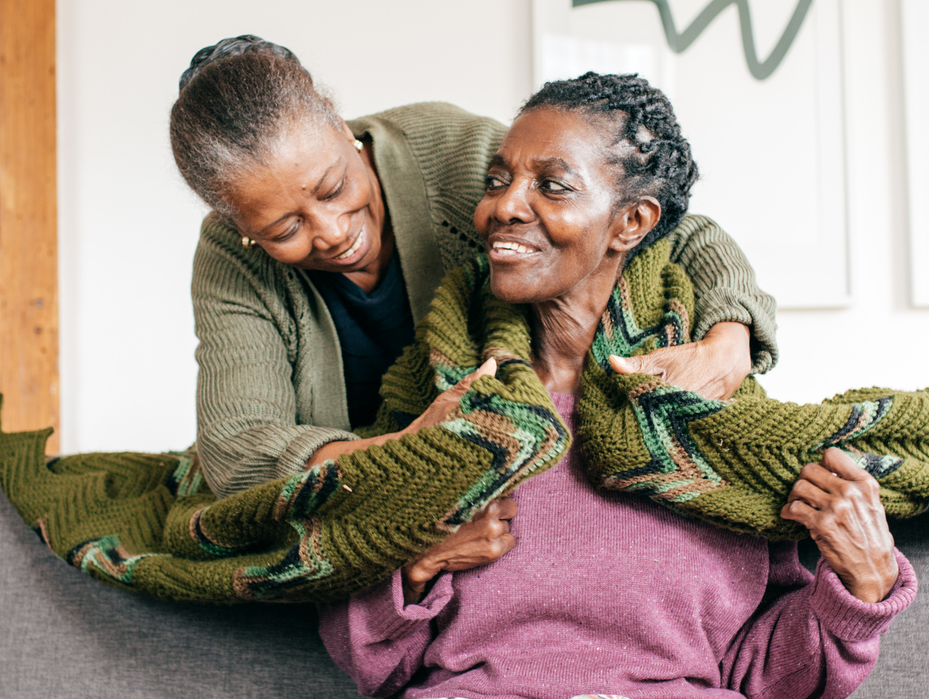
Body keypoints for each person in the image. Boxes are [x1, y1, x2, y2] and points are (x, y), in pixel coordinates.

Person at [316, 73, 916, 699]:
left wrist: (863, 584)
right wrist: (419, 562)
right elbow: (373, 660)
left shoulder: (713, 428)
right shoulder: (439, 414)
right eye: (498, 180)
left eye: (552, 185)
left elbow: (770, 675)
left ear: (630, 223)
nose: (504, 207)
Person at [170, 36, 778, 498]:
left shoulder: (451, 152)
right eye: (284, 229)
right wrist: (406, 452)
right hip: (364, 493)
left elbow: (668, 225)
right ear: (238, 223)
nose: (331, 233)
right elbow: (236, 450)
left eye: (333, 188)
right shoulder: (231, 256)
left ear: (338, 122)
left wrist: (731, 341)